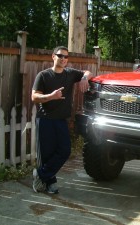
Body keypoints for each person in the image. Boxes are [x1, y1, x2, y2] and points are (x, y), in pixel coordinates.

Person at [31, 46, 93, 194]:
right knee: (47, 154)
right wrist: (51, 96)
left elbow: (88, 72)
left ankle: (40, 174)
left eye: (66, 57)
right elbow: (34, 97)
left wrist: (84, 78)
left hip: (61, 121)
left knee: (65, 151)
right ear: (53, 57)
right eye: (60, 56)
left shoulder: (70, 74)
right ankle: (50, 182)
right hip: (45, 120)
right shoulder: (43, 75)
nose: (63, 59)